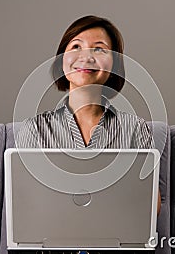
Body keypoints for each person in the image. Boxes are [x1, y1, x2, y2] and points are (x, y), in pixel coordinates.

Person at [17, 15, 161, 252]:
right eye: (76, 46)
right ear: (62, 60)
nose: (86, 56)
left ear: (114, 65)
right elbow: (25, 207)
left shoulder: (135, 128)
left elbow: (150, 207)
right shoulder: (34, 130)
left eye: (99, 49)